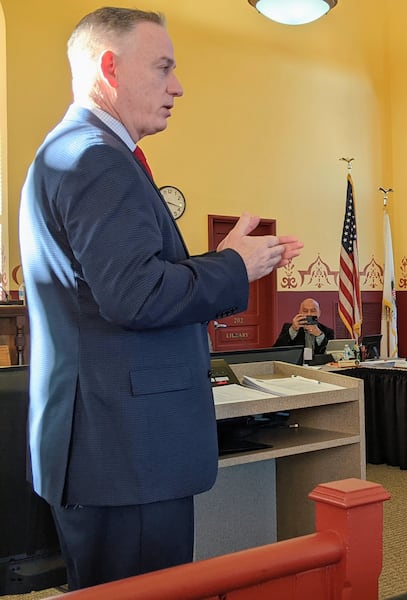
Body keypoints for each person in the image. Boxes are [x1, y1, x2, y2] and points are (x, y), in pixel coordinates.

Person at [18, 7, 303, 590]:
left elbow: (116, 286)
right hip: (127, 454)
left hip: (111, 448)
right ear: (110, 68)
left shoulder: (78, 149)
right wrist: (234, 267)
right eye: (164, 67)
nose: (178, 86)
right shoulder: (97, 158)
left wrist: (212, 262)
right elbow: (136, 296)